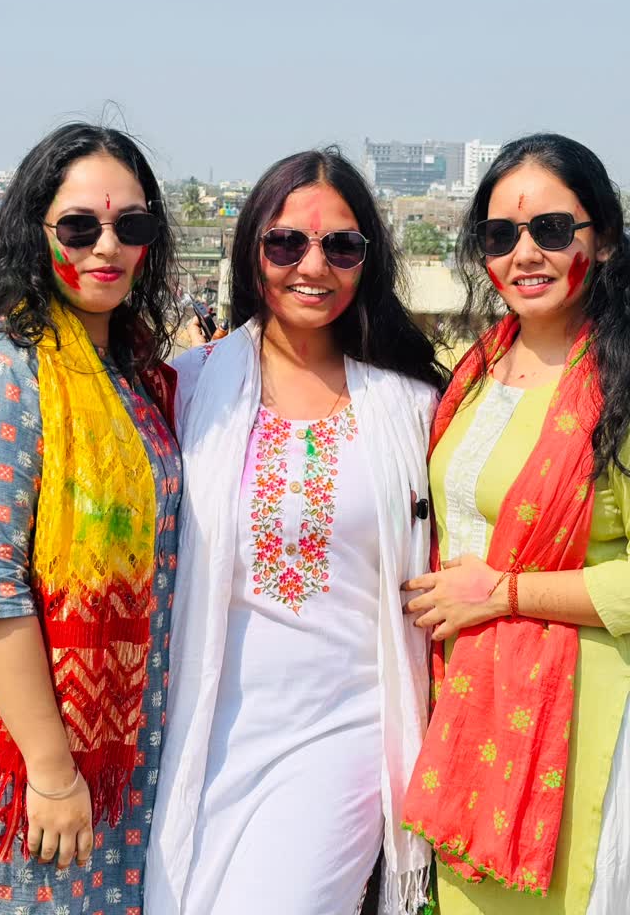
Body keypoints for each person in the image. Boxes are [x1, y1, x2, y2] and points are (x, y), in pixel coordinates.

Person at [145, 147, 449, 915]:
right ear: (253, 249)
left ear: (367, 261)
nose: (313, 266)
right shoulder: (190, 386)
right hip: (205, 727)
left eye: (341, 246)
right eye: (286, 243)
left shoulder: (410, 407)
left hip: (346, 733)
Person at [401, 134, 630, 914]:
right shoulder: (475, 369)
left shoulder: (619, 386)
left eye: (552, 230)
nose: (524, 253)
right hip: (467, 720)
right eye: (501, 235)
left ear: (603, 241)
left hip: (579, 724)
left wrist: (505, 592)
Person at [0, 124, 182, 913]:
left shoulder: (136, 373)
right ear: (35, 232)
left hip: (134, 750)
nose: (107, 246)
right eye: (78, 227)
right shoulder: (10, 368)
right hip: (44, 773)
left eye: (130, 225)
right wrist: (51, 770)